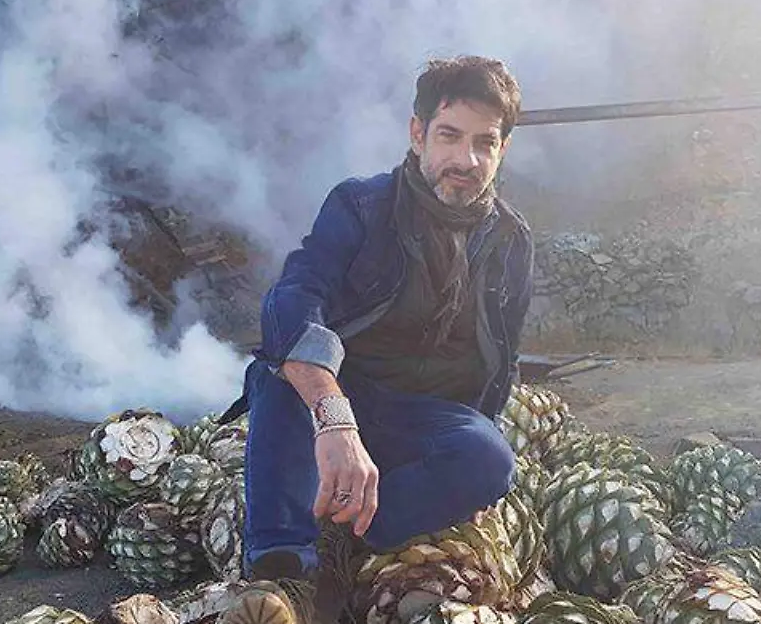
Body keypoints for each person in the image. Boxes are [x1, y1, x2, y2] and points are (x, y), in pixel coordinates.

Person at [221, 55, 534, 624]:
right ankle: (284, 571)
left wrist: (459, 481)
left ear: (502, 149)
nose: (466, 160)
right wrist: (334, 416)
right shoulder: (361, 207)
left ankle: (351, 542)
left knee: (488, 459)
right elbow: (294, 298)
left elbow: (500, 363)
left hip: (420, 419)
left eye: (485, 143)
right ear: (417, 134)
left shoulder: (511, 241)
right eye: (449, 136)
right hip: (342, 398)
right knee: (278, 374)